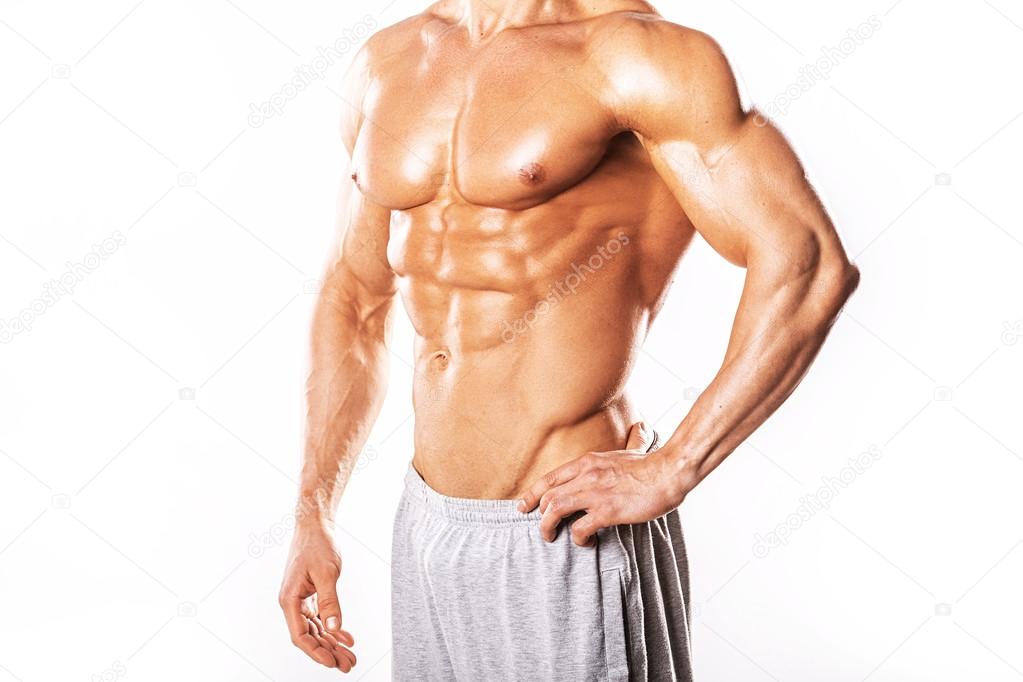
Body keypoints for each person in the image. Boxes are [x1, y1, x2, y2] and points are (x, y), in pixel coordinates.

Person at [278, 0, 859, 679]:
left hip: (565, 530)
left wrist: (676, 465)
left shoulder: (634, 56)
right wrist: (313, 510)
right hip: (428, 528)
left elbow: (806, 259)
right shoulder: (388, 60)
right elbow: (353, 296)